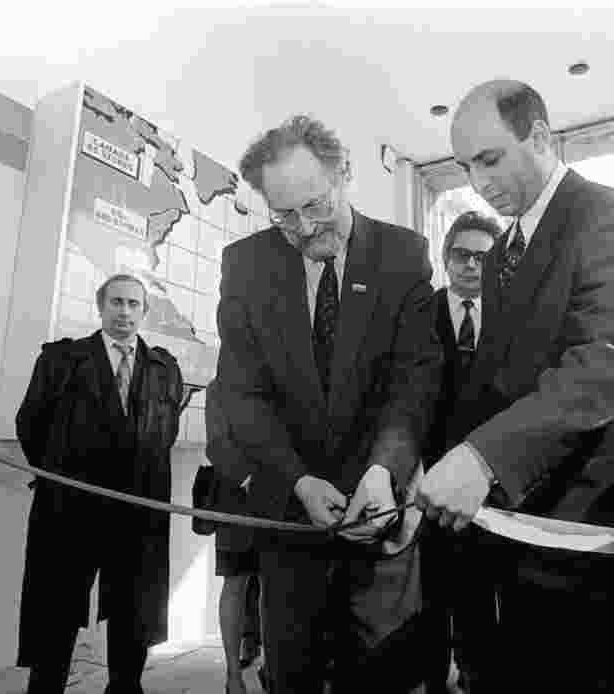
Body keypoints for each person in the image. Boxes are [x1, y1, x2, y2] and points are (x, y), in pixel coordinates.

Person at [416, 79, 614, 691]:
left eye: (490, 159)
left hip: (602, 516)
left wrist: (482, 459)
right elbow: (501, 383)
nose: (478, 183)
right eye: (465, 167)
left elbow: (610, 359)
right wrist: (425, 470)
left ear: (539, 136)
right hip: (530, 519)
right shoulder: (505, 248)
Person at [215, 115, 442, 694]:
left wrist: (382, 472)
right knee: (293, 674)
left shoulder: (403, 254)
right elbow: (243, 393)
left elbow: (412, 380)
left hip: (380, 510)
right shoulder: (246, 265)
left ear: (345, 174)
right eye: (284, 215)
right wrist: (296, 481)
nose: (305, 227)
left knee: (385, 673)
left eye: (315, 205)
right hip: (290, 517)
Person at [15, 274, 183, 694]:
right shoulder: (61, 361)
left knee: (134, 610)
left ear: (144, 312)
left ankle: (125, 687)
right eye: (116, 302)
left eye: (133, 304)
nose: (124, 312)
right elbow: (30, 425)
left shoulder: (165, 369)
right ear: (100, 306)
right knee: (55, 606)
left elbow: (166, 435)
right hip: (69, 510)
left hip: (139, 514)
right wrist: (63, 477)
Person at [422, 211, 501, 694]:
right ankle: (431, 674)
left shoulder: (515, 320)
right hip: (428, 476)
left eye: (483, 257)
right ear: (447, 258)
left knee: (483, 584)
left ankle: (478, 670)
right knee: (431, 586)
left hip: (493, 479)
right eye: (462, 254)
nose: (472, 264)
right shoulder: (419, 314)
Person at [204, 379, 263, 694]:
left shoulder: (278, 376)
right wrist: (250, 478)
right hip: (236, 499)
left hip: (280, 497)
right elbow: (217, 444)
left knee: (277, 584)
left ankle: (274, 665)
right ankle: (232, 676)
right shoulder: (218, 388)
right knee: (236, 582)